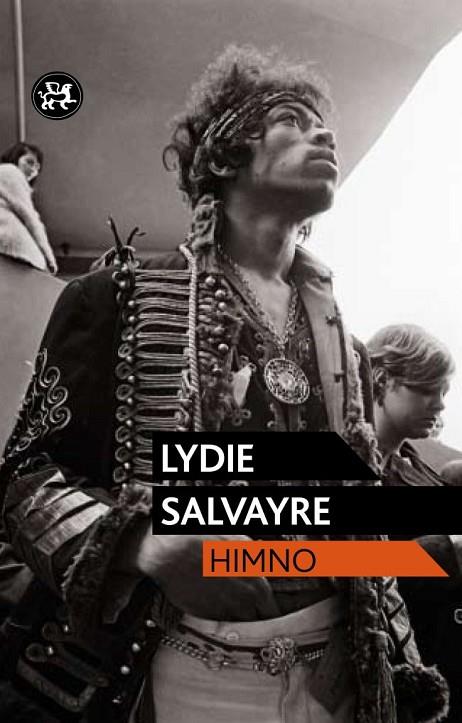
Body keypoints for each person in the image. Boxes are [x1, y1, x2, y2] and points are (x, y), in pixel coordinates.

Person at [0, 47, 448, 723]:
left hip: (332, 678)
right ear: (225, 153)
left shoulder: (347, 352)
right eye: (292, 121)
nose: (324, 135)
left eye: (323, 125)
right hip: (177, 667)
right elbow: (25, 477)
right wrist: (143, 543)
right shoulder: (114, 298)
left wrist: (395, 659)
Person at [367, 323, 462, 722]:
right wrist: (446, 551)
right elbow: (328, 564)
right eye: (426, 389)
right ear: (381, 380)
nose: (439, 405)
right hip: (384, 679)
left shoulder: (420, 467)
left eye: (443, 392)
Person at [0, 141, 57, 274]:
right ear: (15, 158)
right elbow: (29, 217)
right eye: (29, 162)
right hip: (10, 245)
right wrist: (49, 258)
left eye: (37, 167)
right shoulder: (10, 171)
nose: (33, 170)